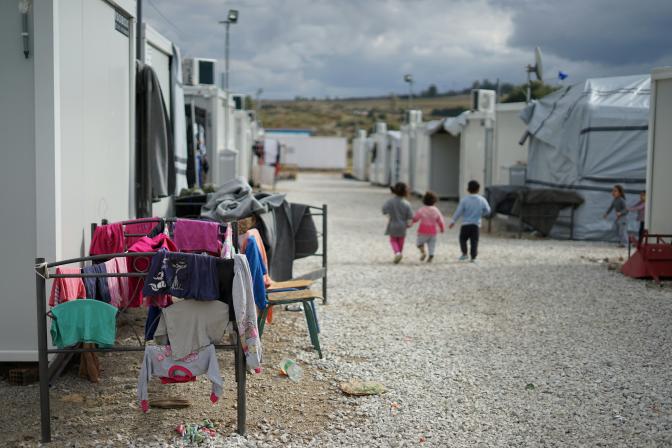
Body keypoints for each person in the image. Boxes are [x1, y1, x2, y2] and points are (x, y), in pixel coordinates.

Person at [448, 180, 491, 262]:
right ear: (478, 189)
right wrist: (482, 214)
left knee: (462, 239)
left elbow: (458, 212)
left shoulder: (464, 200)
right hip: (476, 225)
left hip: (465, 224)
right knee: (474, 241)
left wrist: (453, 221)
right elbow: (488, 210)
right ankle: (473, 257)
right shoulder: (482, 200)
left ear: (468, 189)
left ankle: (464, 254)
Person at [383, 182, 414, 264]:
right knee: (401, 240)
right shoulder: (407, 203)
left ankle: (397, 253)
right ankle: (400, 253)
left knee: (393, 240)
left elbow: (384, 210)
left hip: (393, 224)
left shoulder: (390, 201)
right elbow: (410, 216)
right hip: (403, 225)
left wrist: (389, 214)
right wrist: (409, 223)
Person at [412, 191, 445, 263]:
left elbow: (416, 218)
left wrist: (412, 222)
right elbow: (440, 220)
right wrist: (442, 228)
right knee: (432, 244)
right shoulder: (436, 210)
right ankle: (431, 255)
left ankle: (423, 252)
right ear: (434, 201)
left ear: (424, 201)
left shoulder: (422, 209)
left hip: (423, 230)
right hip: (433, 231)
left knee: (419, 243)